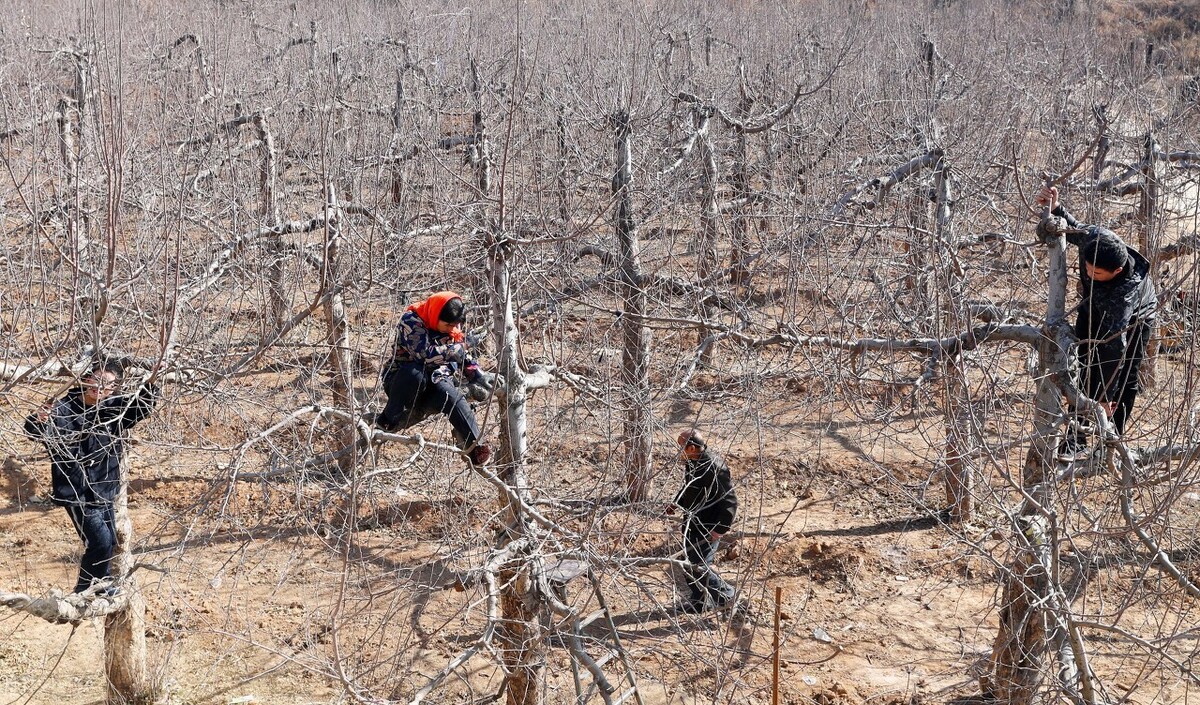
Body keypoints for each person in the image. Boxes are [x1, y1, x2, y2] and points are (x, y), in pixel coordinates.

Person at [1037, 186, 1158, 457]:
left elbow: (1115, 350)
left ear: (1115, 271)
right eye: (1087, 268)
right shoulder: (1096, 239)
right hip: (1093, 305)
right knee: (1082, 366)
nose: (1089, 274)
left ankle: (1110, 442)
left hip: (1137, 318)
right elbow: (1073, 226)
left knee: (1125, 377)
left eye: (1097, 272)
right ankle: (1076, 439)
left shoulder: (1123, 296)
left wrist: (1105, 397)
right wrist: (1056, 209)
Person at [23, 360, 160, 595]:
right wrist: (39, 419)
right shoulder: (62, 408)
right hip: (77, 492)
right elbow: (34, 431)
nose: (99, 387)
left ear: (114, 388)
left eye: (107, 384)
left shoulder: (113, 408)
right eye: (95, 380)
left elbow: (142, 407)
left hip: (105, 487)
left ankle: (102, 583)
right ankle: (82, 592)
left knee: (109, 541)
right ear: (86, 379)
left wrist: (154, 380)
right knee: (99, 542)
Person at [376, 291, 493, 465]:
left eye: (455, 325)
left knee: (452, 397)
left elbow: (460, 354)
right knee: (415, 372)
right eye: (447, 325)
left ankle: (475, 447)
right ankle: (389, 418)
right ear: (435, 314)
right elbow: (425, 355)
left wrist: (477, 374)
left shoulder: (452, 325)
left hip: (436, 379)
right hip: (403, 382)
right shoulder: (411, 320)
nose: (452, 329)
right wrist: (464, 345)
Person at [668, 429, 738, 613]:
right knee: (688, 563)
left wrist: (719, 530)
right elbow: (689, 487)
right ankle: (699, 602)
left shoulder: (715, 467)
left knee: (698, 566)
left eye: (681, 447)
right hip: (693, 522)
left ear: (691, 447)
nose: (679, 451)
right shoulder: (693, 461)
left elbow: (730, 500)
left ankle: (728, 596)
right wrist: (676, 503)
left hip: (709, 525)